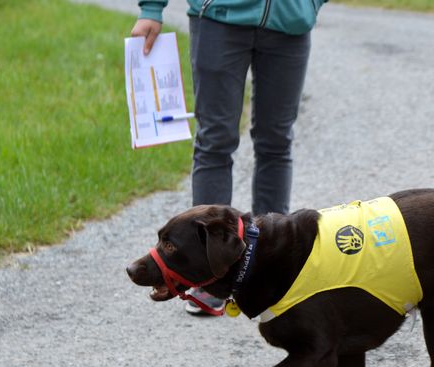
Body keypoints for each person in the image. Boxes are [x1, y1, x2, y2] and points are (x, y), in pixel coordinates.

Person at [131, 0, 326, 315]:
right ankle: (206, 276)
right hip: (220, 20)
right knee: (215, 141)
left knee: (276, 142)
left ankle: (273, 270)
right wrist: (151, 9)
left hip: (290, 23)